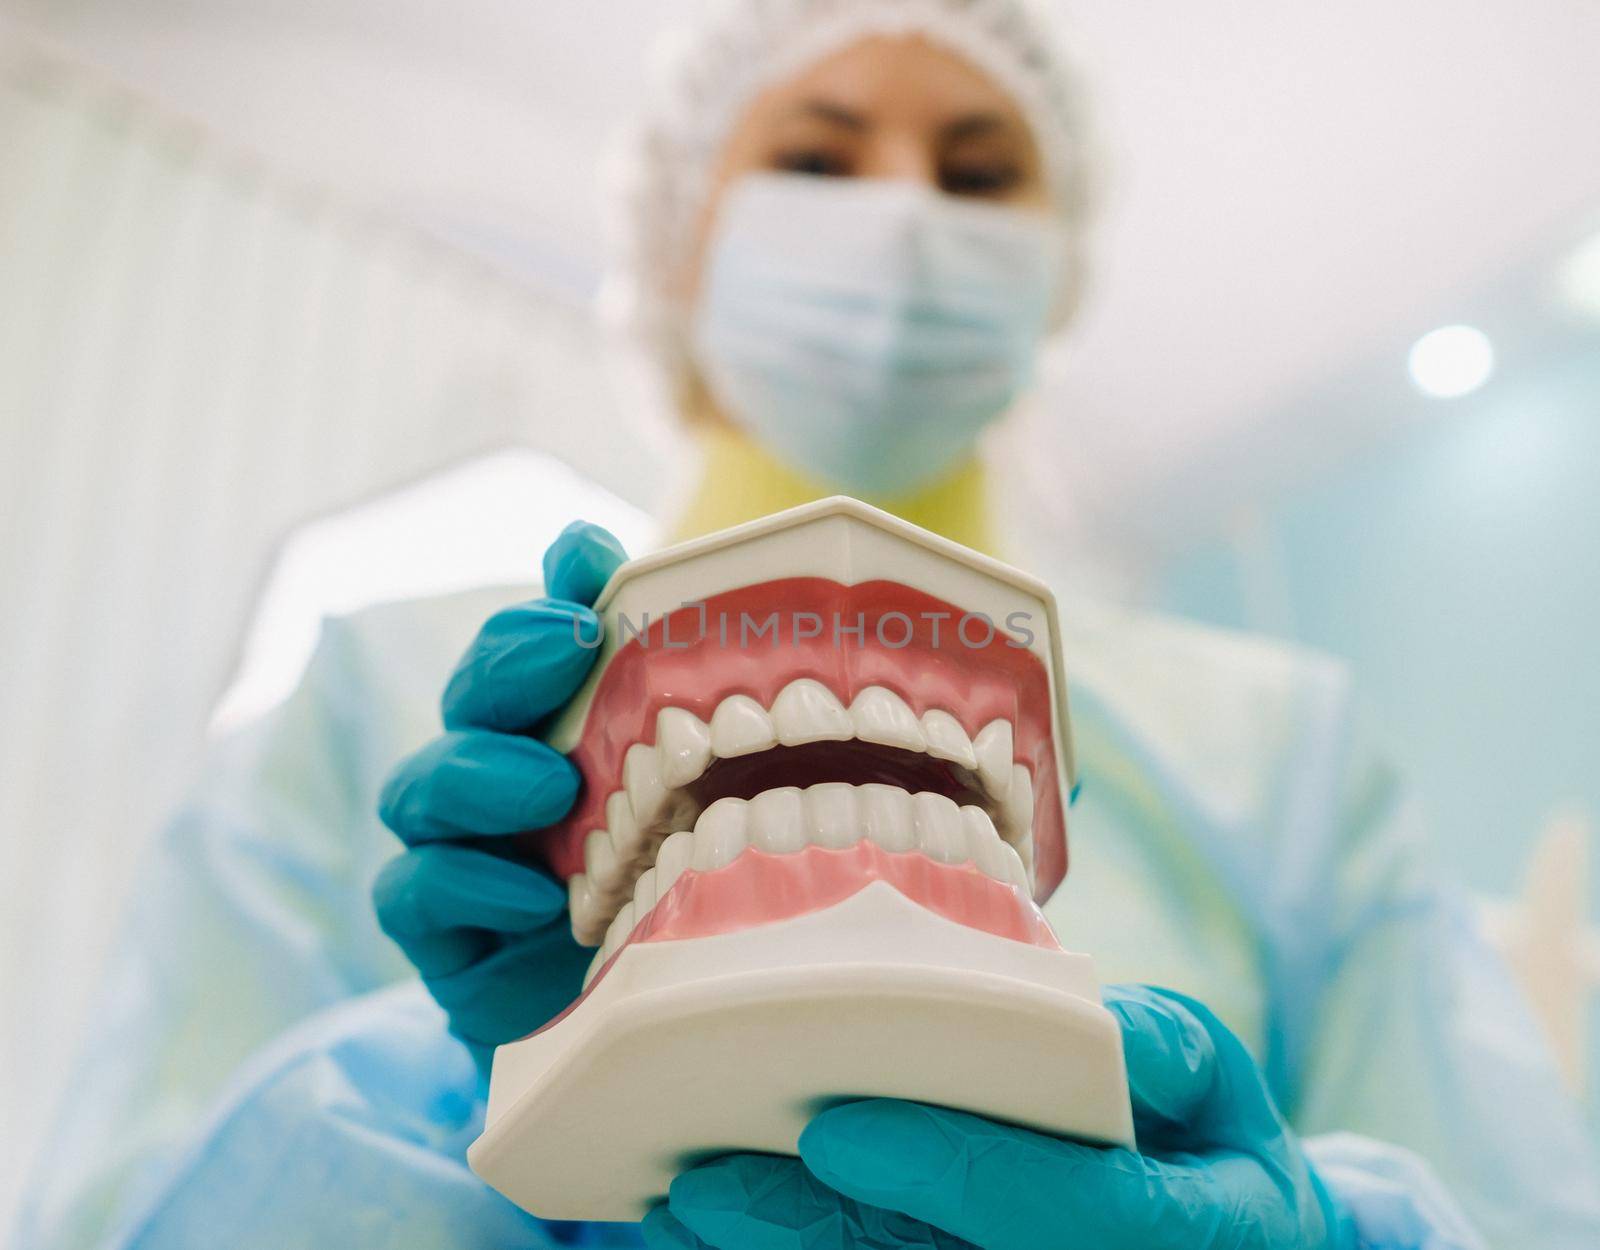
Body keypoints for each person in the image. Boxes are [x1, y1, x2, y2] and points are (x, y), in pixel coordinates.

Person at [16, 2, 1600, 1247]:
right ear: (679, 247)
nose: (903, 218)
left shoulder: (1283, 747)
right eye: (819, 158)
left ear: (1054, 279)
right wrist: (477, 1085)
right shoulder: (374, 685)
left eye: (980, 172)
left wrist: (1325, 1239)